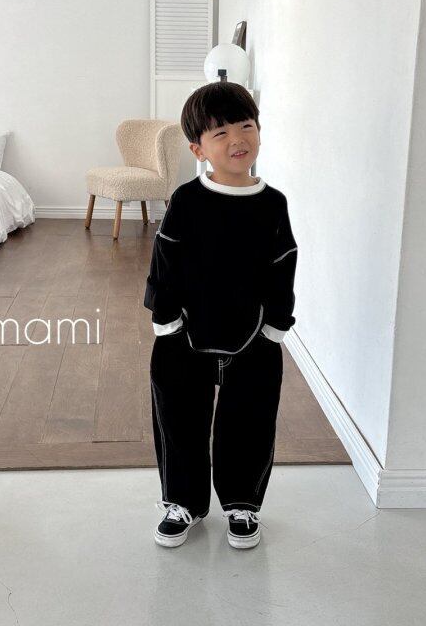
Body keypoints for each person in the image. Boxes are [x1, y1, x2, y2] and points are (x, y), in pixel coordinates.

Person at [143, 81, 298, 549]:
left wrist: (276, 326)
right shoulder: (187, 201)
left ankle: (242, 502)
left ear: (259, 131)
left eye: (246, 126)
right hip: (184, 337)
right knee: (179, 422)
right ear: (198, 149)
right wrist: (166, 320)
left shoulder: (272, 204)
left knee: (250, 422)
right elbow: (164, 260)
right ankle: (183, 502)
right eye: (221, 133)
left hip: (252, 339)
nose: (237, 140)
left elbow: (283, 264)